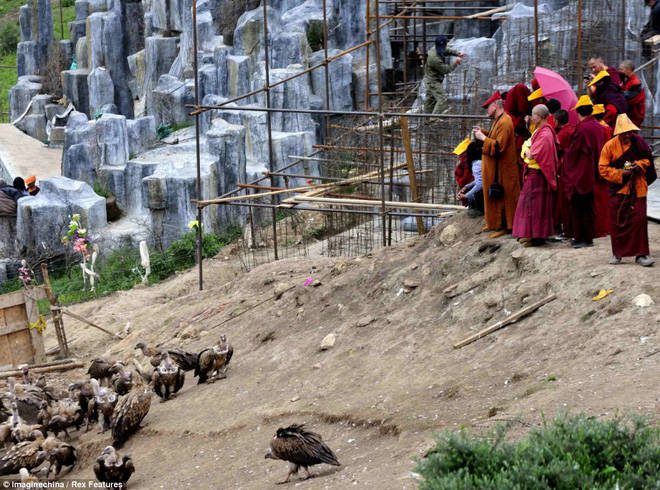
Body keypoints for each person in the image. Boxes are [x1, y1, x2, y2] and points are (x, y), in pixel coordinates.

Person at [598, 114, 654, 266]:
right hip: (619, 189)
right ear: (618, 133)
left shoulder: (639, 142)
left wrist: (639, 165)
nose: (628, 135)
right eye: (625, 133)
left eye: (630, 132)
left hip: (638, 187)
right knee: (618, 221)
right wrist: (621, 173)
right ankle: (618, 254)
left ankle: (642, 254)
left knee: (639, 220)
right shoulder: (609, 146)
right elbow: (602, 169)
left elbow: (648, 160)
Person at [473, 91, 521, 238]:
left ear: (495, 105)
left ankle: (507, 226)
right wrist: (484, 133)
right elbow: (495, 138)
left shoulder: (505, 122)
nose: (487, 110)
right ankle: (496, 224)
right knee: (497, 197)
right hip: (497, 169)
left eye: (488, 106)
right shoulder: (498, 120)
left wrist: (482, 137)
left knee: (505, 197)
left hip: (504, 170)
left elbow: (499, 146)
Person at [562, 95, 605, 248]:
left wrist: (564, 151)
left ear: (579, 112)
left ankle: (580, 238)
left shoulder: (581, 129)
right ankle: (588, 238)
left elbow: (573, 153)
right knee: (589, 207)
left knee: (578, 207)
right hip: (593, 171)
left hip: (580, 174)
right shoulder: (598, 127)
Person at [512, 104, 558, 246]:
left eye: (533, 114)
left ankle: (534, 236)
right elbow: (527, 144)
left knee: (534, 206)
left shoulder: (545, 134)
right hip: (535, 174)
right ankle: (530, 234)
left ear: (540, 116)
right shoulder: (540, 130)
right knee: (530, 205)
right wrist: (527, 149)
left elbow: (532, 154)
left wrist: (526, 151)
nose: (531, 117)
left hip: (538, 174)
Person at [422, 35, 465, 114]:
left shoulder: (436, 49)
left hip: (432, 79)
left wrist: (457, 53)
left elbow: (446, 50)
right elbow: (445, 70)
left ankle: (427, 121)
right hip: (432, 81)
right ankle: (433, 120)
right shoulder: (434, 58)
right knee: (442, 99)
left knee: (430, 101)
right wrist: (455, 62)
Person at [554, 109, 576, 236]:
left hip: (563, 166)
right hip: (573, 166)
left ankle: (562, 226)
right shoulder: (573, 128)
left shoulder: (562, 134)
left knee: (561, 198)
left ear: (557, 121)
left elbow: (557, 149)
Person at [456, 140, 485, 217]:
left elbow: (480, 183)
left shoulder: (476, 164)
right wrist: (466, 186)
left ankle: (478, 209)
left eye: (461, 154)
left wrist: (466, 195)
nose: (459, 157)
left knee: (476, 192)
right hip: (479, 188)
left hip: (483, 193)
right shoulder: (481, 161)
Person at [618, 60, 646, 127]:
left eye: (621, 69)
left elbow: (627, 98)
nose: (619, 71)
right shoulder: (626, 81)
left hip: (634, 117)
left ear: (628, 70)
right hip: (629, 116)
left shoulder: (635, 83)